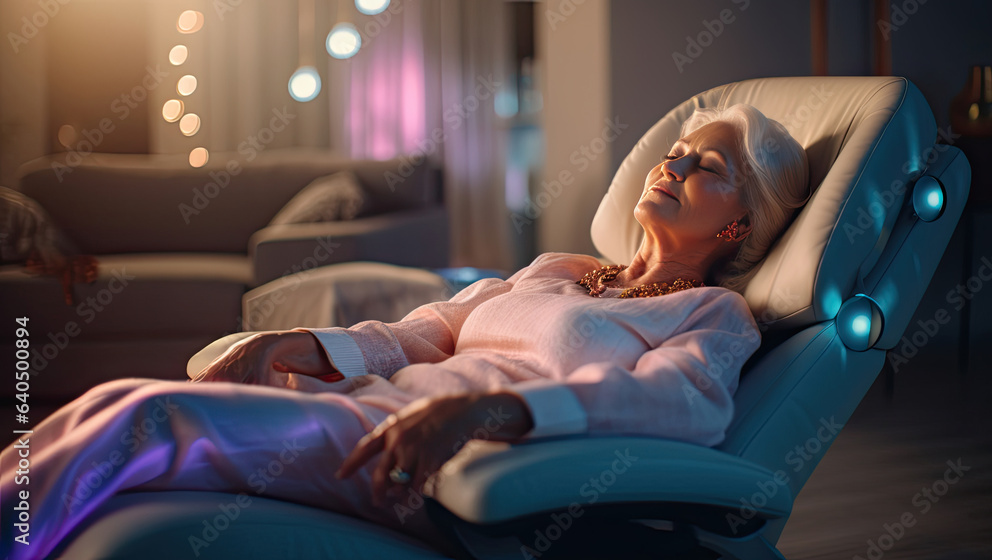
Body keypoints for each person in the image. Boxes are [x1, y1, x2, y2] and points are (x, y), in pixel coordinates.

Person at [0, 104, 809, 559]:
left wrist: (485, 415)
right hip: (372, 404)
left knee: (149, 421)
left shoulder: (711, 314)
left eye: (709, 167)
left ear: (740, 224)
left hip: (429, 463)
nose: (674, 166)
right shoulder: (561, 268)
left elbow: (686, 407)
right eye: (675, 152)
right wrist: (301, 347)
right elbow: (435, 329)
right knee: (115, 404)